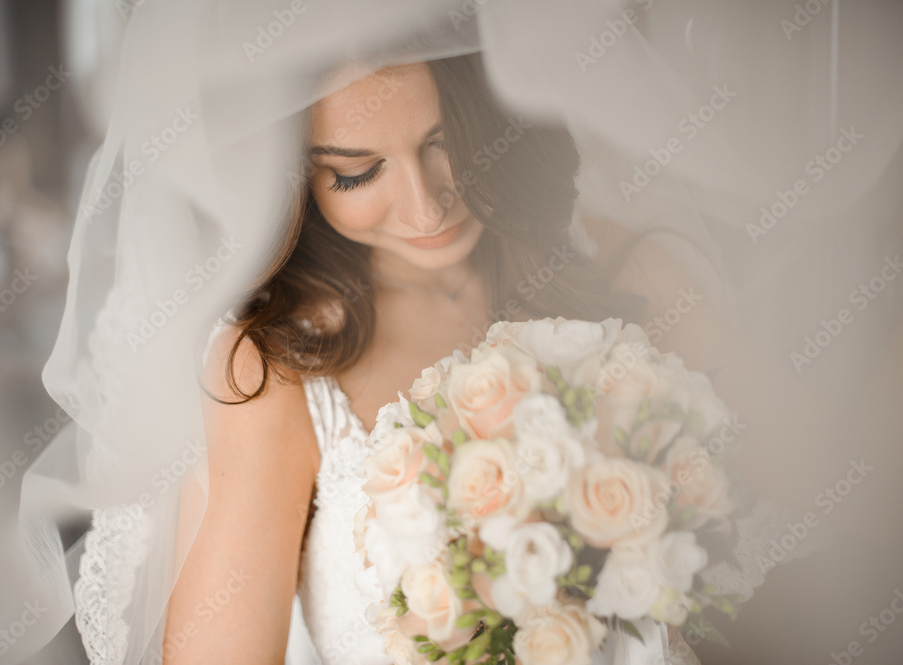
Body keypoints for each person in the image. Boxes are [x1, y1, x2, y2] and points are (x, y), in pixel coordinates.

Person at [161, 52, 713, 665]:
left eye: (449, 143)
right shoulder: (274, 368)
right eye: (356, 174)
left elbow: (809, 538)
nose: (425, 208)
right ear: (297, 180)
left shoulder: (634, 273)